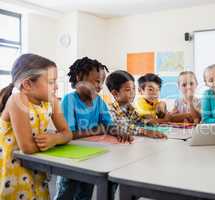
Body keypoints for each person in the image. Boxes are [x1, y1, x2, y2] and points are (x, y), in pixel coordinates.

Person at [55, 57, 132, 200]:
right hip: (71, 158)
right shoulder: (69, 100)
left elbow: (108, 125)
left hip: (92, 155)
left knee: (85, 192)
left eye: (102, 82)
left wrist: (118, 131)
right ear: (79, 78)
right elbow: (69, 134)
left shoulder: (99, 101)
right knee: (67, 192)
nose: (100, 86)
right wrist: (97, 130)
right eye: (97, 81)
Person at [0, 53, 72, 199]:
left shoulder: (52, 102)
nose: (57, 86)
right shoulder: (17, 100)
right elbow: (26, 147)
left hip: (37, 167)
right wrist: (56, 139)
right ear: (27, 84)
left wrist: (55, 139)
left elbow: (67, 133)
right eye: (51, 82)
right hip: (14, 170)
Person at [106, 70, 167, 139]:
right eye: (128, 90)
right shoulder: (111, 109)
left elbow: (138, 121)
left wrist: (149, 124)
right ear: (115, 93)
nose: (133, 93)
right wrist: (145, 131)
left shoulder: (130, 108)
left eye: (133, 89)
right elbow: (123, 126)